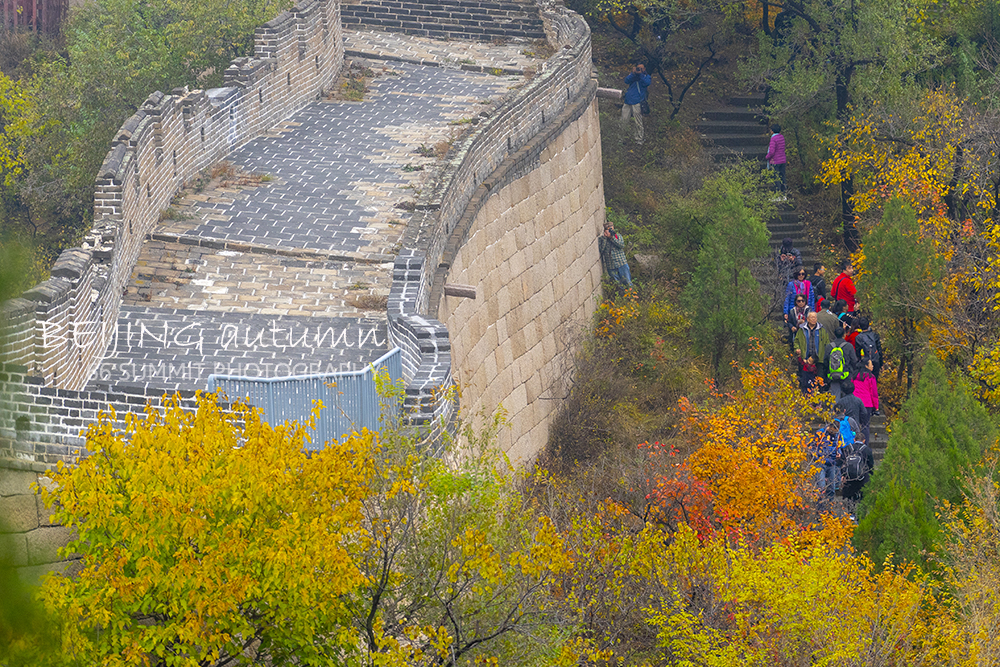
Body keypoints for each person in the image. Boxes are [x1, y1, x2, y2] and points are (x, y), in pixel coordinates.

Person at [794, 311, 829, 391]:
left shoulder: (822, 329)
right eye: (812, 317)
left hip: (819, 358)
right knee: (805, 379)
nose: (814, 319)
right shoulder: (802, 329)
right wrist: (797, 349)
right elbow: (796, 341)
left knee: (819, 378)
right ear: (808, 319)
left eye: (815, 317)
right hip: (806, 359)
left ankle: (819, 395)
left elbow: (827, 343)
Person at [824, 325, 858, 399]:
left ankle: (835, 409)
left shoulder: (829, 346)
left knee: (835, 396)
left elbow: (825, 361)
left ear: (834, 334)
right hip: (846, 374)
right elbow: (854, 360)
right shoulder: (849, 346)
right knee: (846, 396)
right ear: (844, 334)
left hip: (832, 374)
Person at [621, 63, 651, 146]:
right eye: (638, 68)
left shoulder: (646, 77)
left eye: (641, 69)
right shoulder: (633, 76)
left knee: (638, 122)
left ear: (644, 69)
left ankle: (639, 139)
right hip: (628, 100)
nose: (639, 70)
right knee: (624, 120)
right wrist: (633, 73)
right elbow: (626, 80)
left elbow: (647, 83)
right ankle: (622, 137)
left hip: (637, 101)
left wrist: (640, 75)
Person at [598, 219, 631, 287]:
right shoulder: (602, 239)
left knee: (628, 282)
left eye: (612, 229)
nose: (611, 231)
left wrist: (612, 238)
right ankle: (622, 296)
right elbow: (601, 250)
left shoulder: (617, 236)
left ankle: (631, 295)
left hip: (621, 263)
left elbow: (621, 245)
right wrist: (605, 238)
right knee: (618, 285)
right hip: (611, 266)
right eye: (609, 230)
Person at [766, 124, 787, 196]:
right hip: (783, 160)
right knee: (782, 176)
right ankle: (784, 193)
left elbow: (771, 151)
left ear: (772, 131)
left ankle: (778, 193)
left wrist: (767, 157)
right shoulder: (782, 137)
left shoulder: (773, 139)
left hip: (775, 161)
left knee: (776, 177)